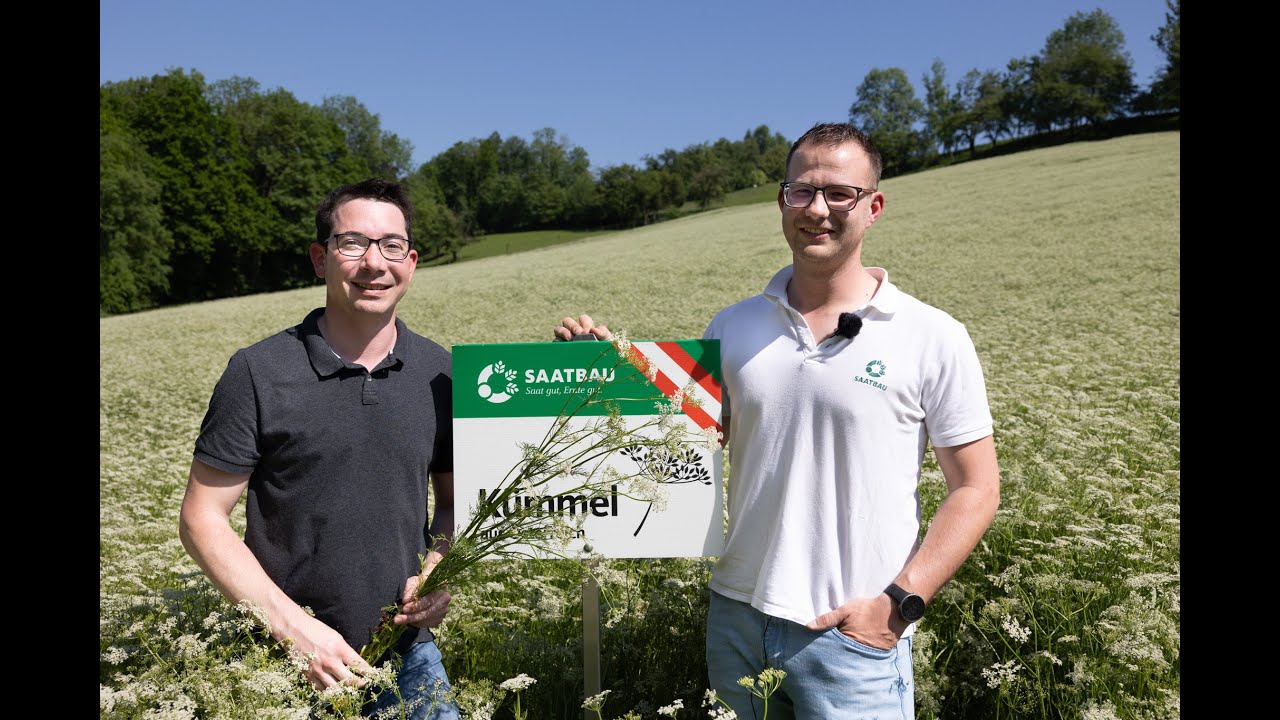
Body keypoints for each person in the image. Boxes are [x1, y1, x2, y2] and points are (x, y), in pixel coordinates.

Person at [555, 122, 1000, 719]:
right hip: (736, 618)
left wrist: (898, 606)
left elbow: (976, 487)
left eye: (839, 193)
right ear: (782, 202)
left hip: (854, 635)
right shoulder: (734, 326)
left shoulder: (933, 335)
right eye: (801, 191)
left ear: (874, 207)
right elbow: (687, 442)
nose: (817, 209)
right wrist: (609, 370)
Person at [179, 178, 461, 719]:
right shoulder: (258, 372)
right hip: (282, 665)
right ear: (320, 258)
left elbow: (452, 504)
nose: (374, 262)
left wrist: (437, 571)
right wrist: (293, 630)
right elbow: (201, 518)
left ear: (412, 261)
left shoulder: (439, 373)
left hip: (409, 656)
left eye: (392, 245)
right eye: (352, 243)